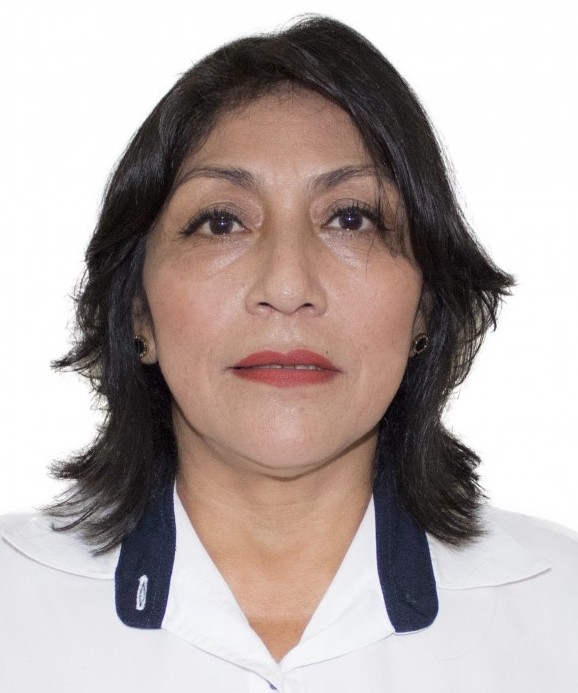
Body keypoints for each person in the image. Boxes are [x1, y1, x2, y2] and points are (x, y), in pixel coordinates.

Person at [1, 15, 576, 692]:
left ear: (425, 306)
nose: (286, 286)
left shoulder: (559, 613)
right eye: (221, 222)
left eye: (350, 218)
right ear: (138, 312)